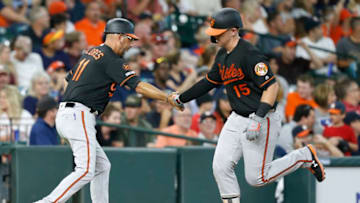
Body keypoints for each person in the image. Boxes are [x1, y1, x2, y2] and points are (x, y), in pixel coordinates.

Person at [170, 8, 325, 203]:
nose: (214, 38)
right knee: (220, 166)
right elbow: (209, 81)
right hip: (237, 117)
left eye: (219, 33)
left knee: (257, 178)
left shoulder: (250, 53)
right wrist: (182, 98)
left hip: (262, 116)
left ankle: (304, 156)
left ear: (233, 31)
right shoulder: (223, 55)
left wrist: (258, 118)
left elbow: (272, 86)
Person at [34, 18, 182, 203]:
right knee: (86, 170)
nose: (130, 45)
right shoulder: (110, 58)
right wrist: (167, 97)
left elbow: (68, 80)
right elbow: (138, 86)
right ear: (119, 37)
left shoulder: (92, 52)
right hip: (78, 114)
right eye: (129, 39)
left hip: (70, 113)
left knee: (102, 166)